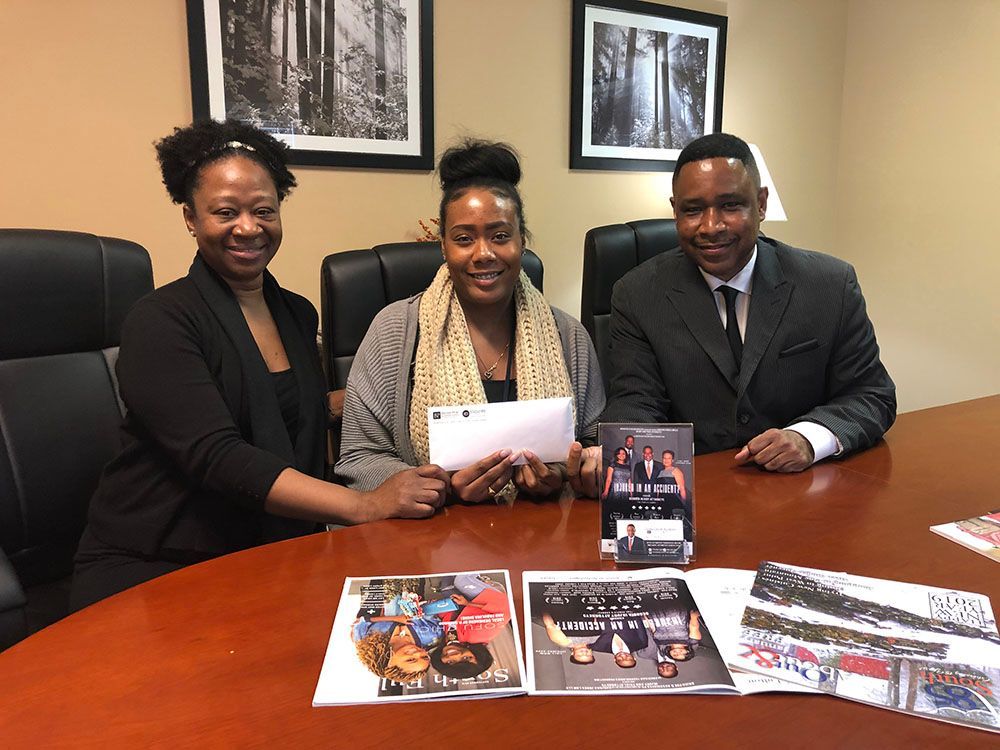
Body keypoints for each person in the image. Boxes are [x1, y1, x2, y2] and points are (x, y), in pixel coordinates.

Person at [71, 120, 448, 610]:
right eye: (225, 212)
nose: (248, 227)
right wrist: (365, 504)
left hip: (264, 551)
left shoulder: (295, 312)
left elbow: (292, 409)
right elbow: (220, 455)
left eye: (263, 210)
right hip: (158, 562)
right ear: (190, 217)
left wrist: (403, 403)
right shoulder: (159, 321)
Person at [597, 132, 895, 474]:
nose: (711, 226)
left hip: (805, 492)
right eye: (693, 210)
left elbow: (872, 395)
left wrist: (808, 438)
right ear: (675, 211)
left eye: (730, 205)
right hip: (696, 489)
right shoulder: (637, 294)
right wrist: (622, 461)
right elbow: (635, 404)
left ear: (761, 203)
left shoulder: (829, 285)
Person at [337, 140, 605, 502]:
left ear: (522, 242)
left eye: (500, 236)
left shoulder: (568, 335)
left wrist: (571, 471)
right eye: (464, 239)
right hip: (429, 540)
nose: (483, 254)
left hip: (545, 533)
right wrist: (442, 488)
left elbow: (594, 442)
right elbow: (359, 458)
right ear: (443, 246)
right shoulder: (394, 330)